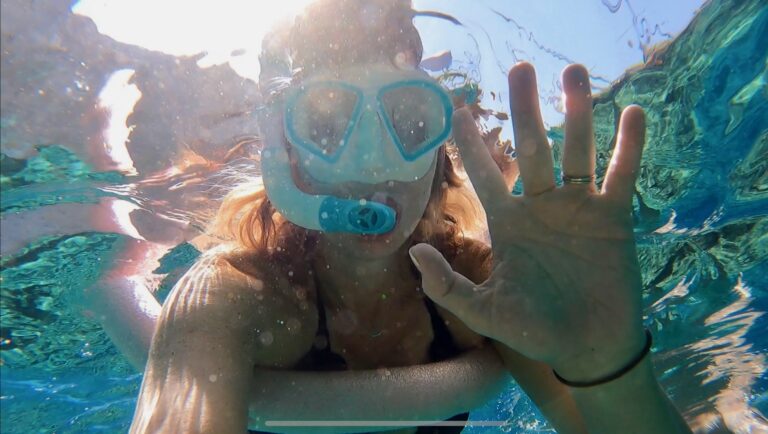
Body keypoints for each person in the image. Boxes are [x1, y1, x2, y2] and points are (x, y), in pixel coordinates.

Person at [128, 1, 693, 433]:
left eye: (408, 121)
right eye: (326, 126)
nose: (374, 165)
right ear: (286, 153)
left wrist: (608, 365)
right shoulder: (236, 295)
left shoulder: (488, 286)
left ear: (439, 151)